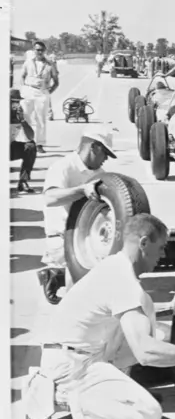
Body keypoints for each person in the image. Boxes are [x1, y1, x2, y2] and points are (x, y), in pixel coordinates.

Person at [23, 213, 175, 419]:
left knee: (154, 325)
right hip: (72, 368)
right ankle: (62, 399)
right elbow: (145, 352)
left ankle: (102, 391)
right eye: (161, 247)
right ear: (144, 243)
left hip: (79, 353)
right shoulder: (122, 281)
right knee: (148, 413)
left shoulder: (115, 267)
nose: (163, 254)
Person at [38, 126, 117, 305]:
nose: (106, 159)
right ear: (94, 147)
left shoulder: (100, 175)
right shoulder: (63, 167)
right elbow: (49, 198)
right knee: (79, 299)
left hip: (87, 237)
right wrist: (81, 190)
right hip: (61, 237)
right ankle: (55, 274)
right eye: (105, 153)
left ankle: (59, 275)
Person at [20, 41, 59, 154]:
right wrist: (24, 89)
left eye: (42, 50)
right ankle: (27, 142)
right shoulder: (28, 62)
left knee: (40, 120)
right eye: (37, 50)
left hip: (42, 93)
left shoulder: (50, 64)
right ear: (34, 50)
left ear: (45, 51)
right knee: (26, 117)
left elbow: (56, 82)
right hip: (29, 91)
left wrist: (47, 92)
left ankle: (39, 144)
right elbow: (22, 76)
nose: (40, 52)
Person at [10, 88, 38, 194]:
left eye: (17, 101)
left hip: (9, 148)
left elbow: (30, 137)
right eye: (13, 101)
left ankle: (23, 181)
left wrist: (22, 120)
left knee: (31, 147)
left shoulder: (19, 114)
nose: (15, 104)